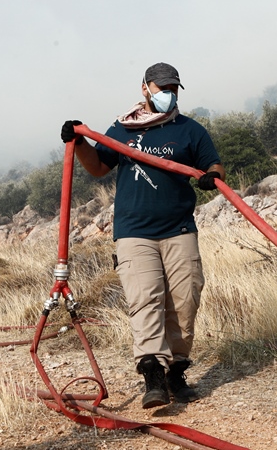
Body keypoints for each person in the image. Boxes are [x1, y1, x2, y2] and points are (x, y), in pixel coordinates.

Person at [62, 62, 225, 408]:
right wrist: (78, 143)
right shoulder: (121, 129)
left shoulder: (189, 130)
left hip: (179, 228)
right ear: (145, 88)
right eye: (162, 87)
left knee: (185, 298)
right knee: (146, 299)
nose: (168, 94)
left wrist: (210, 176)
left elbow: (213, 163)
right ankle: (153, 375)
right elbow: (98, 166)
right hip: (134, 232)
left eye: (173, 88)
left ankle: (176, 371)